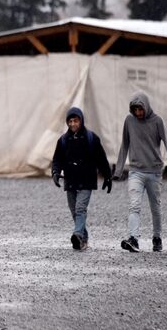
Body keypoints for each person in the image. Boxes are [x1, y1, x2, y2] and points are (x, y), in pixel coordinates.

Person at [113, 91, 167, 253]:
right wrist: (118, 169)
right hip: (135, 171)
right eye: (135, 110)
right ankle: (133, 239)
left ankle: (157, 237)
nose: (138, 113)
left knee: (155, 207)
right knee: (134, 206)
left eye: (140, 109)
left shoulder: (157, 121)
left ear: (146, 107)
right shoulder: (129, 121)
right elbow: (125, 144)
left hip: (154, 172)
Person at [51, 107, 112, 251]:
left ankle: (77, 234)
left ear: (81, 120)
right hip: (70, 180)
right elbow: (57, 160)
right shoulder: (63, 140)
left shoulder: (92, 138)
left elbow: (101, 159)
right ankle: (83, 239)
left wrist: (107, 176)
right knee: (74, 210)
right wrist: (55, 172)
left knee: (80, 208)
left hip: (86, 180)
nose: (73, 124)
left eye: (76, 120)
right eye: (70, 121)